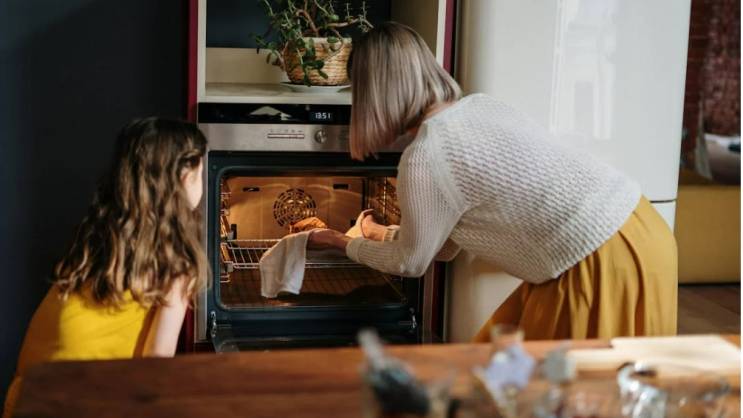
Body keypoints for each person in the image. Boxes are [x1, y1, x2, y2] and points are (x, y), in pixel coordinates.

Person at [308, 22, 677, 341]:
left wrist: (340, 242)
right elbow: (442, 246)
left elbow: (411, 264)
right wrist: (376, 232)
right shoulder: (481, 107)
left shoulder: (425, 155)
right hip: (641, 230)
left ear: (374, 93)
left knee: (564, 387)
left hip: (595, 263)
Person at [3, 117, 207, 418]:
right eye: (201, 171)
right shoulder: (176, 262)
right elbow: (157, 360)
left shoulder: (100, 232)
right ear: (186, 176)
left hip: (32, 393)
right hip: (91, 400)